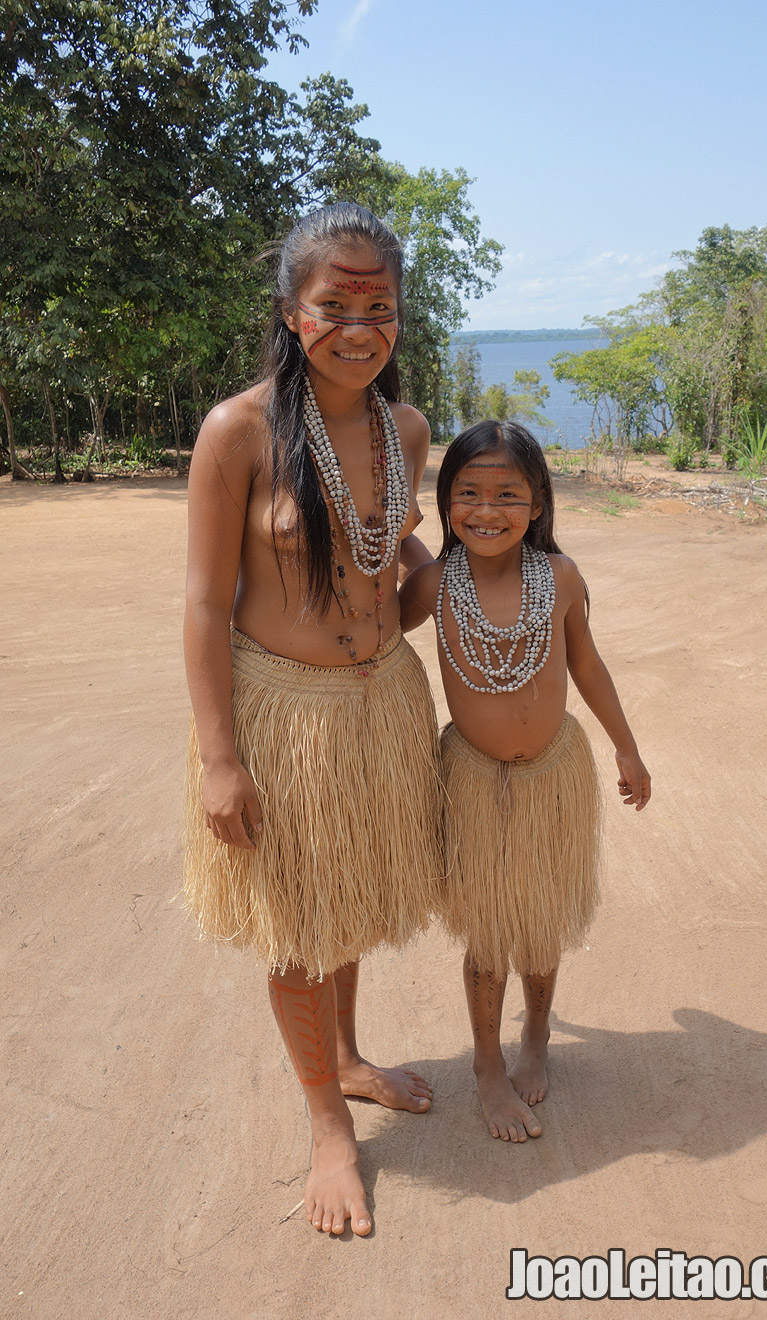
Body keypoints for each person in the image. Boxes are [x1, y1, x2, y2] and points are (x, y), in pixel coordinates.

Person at [182, 202, 443, 1236]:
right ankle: (328, 1127)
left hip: (377, 703)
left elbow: (396, 586)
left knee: (345, 901)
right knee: (296, 929)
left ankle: (344, 1056)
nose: (358, 326)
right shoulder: (237, 430)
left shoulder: (407, 429)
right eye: (335, 303)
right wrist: (218, 760)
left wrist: (468, 567)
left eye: (378, 306)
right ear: (295, 312)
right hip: (281, 714)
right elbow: (203, 603)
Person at [400, 420, 651, 1143]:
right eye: (468, 493)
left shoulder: (561, 577)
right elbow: (371, 630)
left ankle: (536, 1034)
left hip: (551, 777)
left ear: (538, 502)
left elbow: (589, 667)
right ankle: (486, 1065)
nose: (487, 510)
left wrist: (628, 750)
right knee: (487, 931)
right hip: (473, 781)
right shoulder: (435, 583)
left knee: (541, 920)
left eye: (508, 494)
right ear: (445, 503)